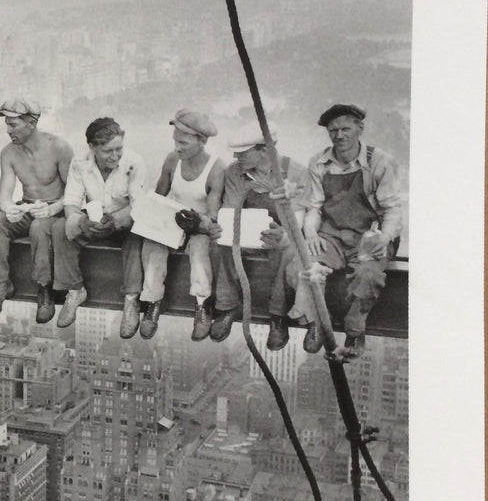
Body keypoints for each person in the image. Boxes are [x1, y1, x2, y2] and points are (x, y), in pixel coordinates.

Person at [287, 104, 403, 359]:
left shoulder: (380, 162)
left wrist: (384, 237)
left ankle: (354, 330)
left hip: (370, 235)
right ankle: (317, 322)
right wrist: (311, 234)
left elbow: (392, 209)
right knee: (307, 265)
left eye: (345, 129)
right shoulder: (319, 162)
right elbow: (314, 206)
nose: (339, 136)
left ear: (359, 128)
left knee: (367, 275)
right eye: (333, 131)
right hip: (333, 234)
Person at [208, 123, 307, 350]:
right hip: (245, 232)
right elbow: (231, 210)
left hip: (279, 234)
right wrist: (222, 227)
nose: (236, 156)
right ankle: (227, 305)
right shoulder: (234, 172)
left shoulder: (295, 173)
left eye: (242, 152)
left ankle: (277, 315)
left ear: (264, 150)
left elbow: (297, 221)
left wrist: (283, 235)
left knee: (287, 249)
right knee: (220, 242)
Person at [0, 98, 73, 323]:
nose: (8, 130)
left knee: (39, 228)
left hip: (55, 209)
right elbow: (5, 194)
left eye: (13, 125)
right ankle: (1, 283)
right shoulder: (8, 153)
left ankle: (44, 289)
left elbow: (74, 193)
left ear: (31, 123)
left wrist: (52, 209)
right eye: (7, 124)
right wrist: (9, 209)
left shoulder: (59, 148)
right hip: (28, 206)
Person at [139, 109, 224, 341]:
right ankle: (153, 300)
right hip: (173, 219)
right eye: (175, 141)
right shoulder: (172, 160)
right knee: (153, 244)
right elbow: (160, 196)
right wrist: (153, 219)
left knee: (199, 251)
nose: (177, 147)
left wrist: (199, 222)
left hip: (198, 225)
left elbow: (214, 215)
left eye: (184, 143)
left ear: (202, 141)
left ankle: (202, 304)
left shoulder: (215, 169)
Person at [52, 117, 144, 332]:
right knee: (60, 229)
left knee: (137, 235)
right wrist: (82, 222)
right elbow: (71, 203)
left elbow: (138, 206)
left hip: (124, 220)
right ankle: (75, 290)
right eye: (108, 151)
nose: (115, 156)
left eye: (118, 149)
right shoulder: (79, 163)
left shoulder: (134, 162)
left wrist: (116, 221)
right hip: (95, 218)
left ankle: (131, 298)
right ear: (92, 148)